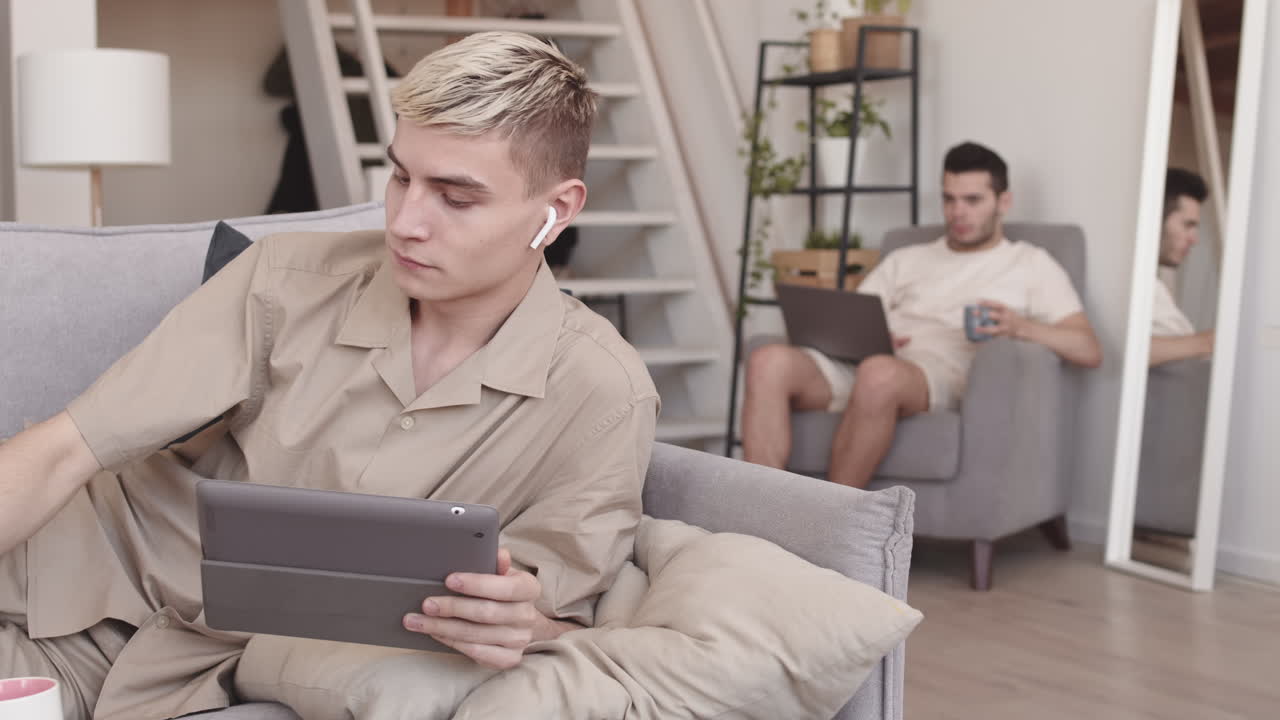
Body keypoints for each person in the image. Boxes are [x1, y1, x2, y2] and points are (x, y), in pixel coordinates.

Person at [0, 32, 658, 720]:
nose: (406, 222)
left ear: (557, 211)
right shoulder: (283, 279)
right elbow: (65, 449)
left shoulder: (602, 394)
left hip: (205, 662)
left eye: (455, 198)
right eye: (401, 178)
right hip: (63, 573)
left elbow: (556, 619)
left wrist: (521, 624)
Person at [742, 142, 1102, 488]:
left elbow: (1089, 349)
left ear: (1003, 202)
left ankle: (834, 521)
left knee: (879, 374)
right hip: (867, 361)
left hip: (935, 373)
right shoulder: (907, 258)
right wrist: (867, 337)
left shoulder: (1029, 263)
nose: (958, 212)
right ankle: (760, 516)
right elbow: (856, 314)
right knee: (767, 361)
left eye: (972, 200)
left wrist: (1020, 327)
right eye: (949, 199)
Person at [1150, 167, 1215, 366]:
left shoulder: (1155, 288)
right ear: (1155, 218)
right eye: (1187, 225)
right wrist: (1208, 342)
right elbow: (1124, 349)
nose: (1194, 239)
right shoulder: (1130, 286)